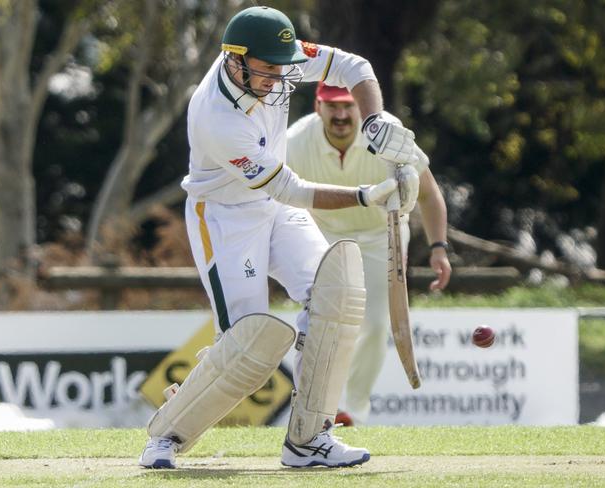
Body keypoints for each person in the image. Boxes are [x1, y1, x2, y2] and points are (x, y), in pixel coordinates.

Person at [138, 6, 420, 469]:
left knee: (336, 294)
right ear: (235, 60)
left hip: (274, 209)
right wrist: (370, 197)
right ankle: (165, 437)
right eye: (268, 70)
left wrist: (375, 120)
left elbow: (356, 68)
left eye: (283, 66)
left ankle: (309, 440)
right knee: (249, 344)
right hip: (225, 220)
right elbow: (293, 188)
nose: (279, 78)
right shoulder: (216, 118)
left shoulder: (277, 56)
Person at [287, 83, 452, 426]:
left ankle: (354, 412)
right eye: (333, 107)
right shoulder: (294, 143)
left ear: (361, 106)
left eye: (348, 106)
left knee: (377, 325)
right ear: (318, 107)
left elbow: (429, 193)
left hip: (382, 234)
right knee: (324, 324)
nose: (342, 115)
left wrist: (439, 248)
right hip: (323, 233)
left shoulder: (389, 135)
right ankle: (317, 410)